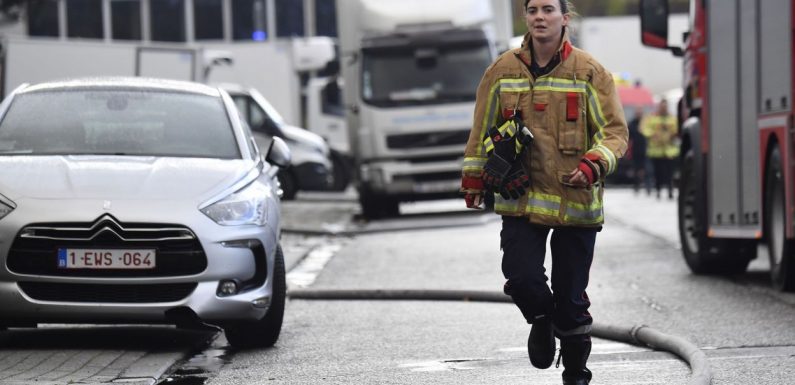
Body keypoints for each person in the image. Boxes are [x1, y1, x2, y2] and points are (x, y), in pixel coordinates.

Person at [460, 1, 628, 384]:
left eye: (548, 9)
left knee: (571, 300)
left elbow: (615, 133)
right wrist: (473, 179)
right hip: (519, 198)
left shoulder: (589, 71)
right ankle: (540, 316)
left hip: (576, 201)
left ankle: (575, 374)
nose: (539, 16)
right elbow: (481, 131)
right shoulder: (502, 71)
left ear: (564, 18)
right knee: (521, 278)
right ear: (526, 16)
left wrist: (593, 164)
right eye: (532, 8)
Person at [642, 99, 679, 199]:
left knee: (670, 173)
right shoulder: (652, 117)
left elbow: (677, 129)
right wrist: (653, 134)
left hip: (670, 151)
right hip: (656, 151)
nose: (663, 108)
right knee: (658, 173)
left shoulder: (672, 118)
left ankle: (670, 191)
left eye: (665, 106)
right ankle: (658, 190)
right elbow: (644, 129)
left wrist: (673, 134)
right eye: (662, 106)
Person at [627, 105, 650, 194]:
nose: (639, 114)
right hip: (635, 150)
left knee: (647, 169)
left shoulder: (646, 123)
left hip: (645, 149)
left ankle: (648, 187)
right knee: (636, 169)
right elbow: (629, 137)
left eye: (640, 112)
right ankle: (636, 186)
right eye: (637, 112)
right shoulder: (632, 123)